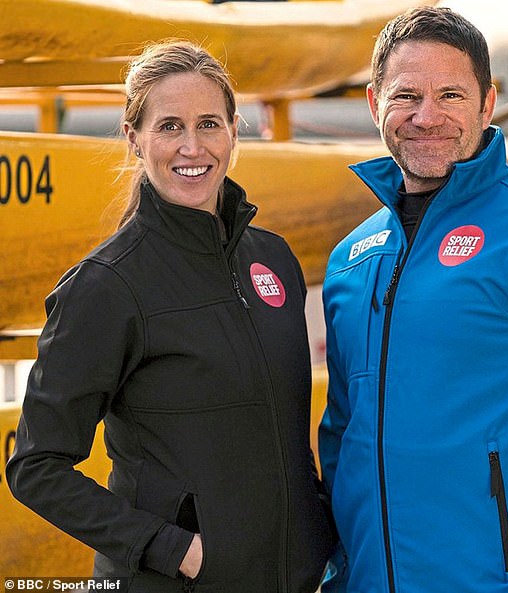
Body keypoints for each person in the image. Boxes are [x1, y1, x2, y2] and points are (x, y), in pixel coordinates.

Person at [318, 7, 508, 593]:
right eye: (405, 94)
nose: (426, 115)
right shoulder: (351, 259)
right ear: (373, 104)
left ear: (487, 104)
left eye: (451, 95)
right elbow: (344, 433)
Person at [7, 40, 333, 592]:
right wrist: (176, 551)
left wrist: (318, 527)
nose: (191, 146)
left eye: (209, 123)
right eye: (169, 126)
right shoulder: (107, 285)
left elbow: (286, 433)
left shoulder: (274, 258)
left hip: (294, 579)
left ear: (234, 130)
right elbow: (35, 467)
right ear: (135, 137)